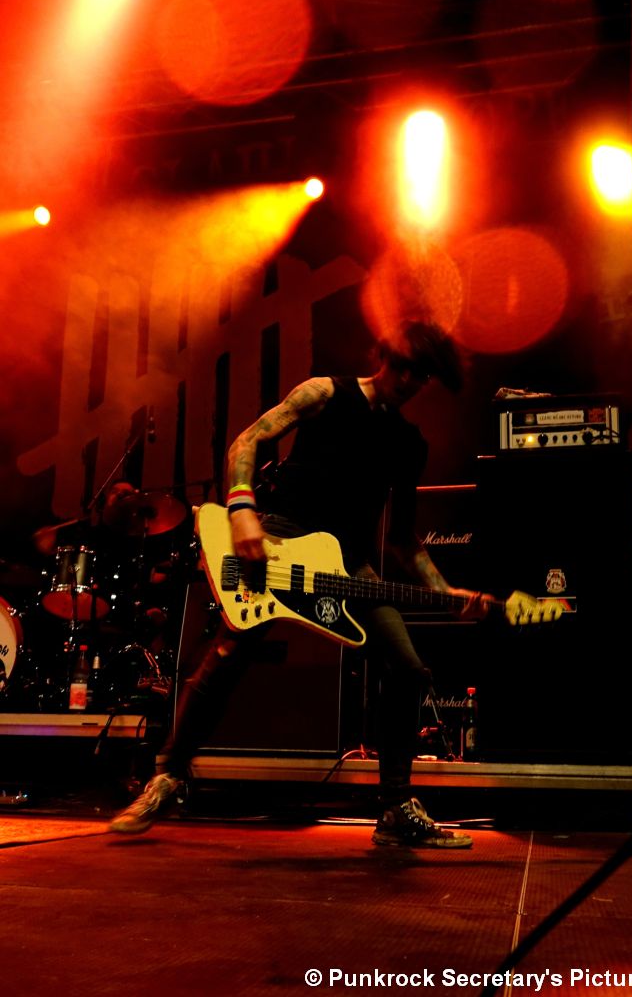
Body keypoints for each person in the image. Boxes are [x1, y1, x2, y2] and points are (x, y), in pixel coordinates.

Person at [109, 321, 491, 847]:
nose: (408, 381)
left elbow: (405, 541)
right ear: (385, 354)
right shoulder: (324, 393)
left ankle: (396, 808)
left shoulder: (408, 443)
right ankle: (167, 778)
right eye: (405, 367)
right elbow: (248, 440)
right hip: (282, 540)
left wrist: (446, 591)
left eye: (421, 376)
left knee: (407, 668)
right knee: (227, 655)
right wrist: (243, 510)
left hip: (349, 565)